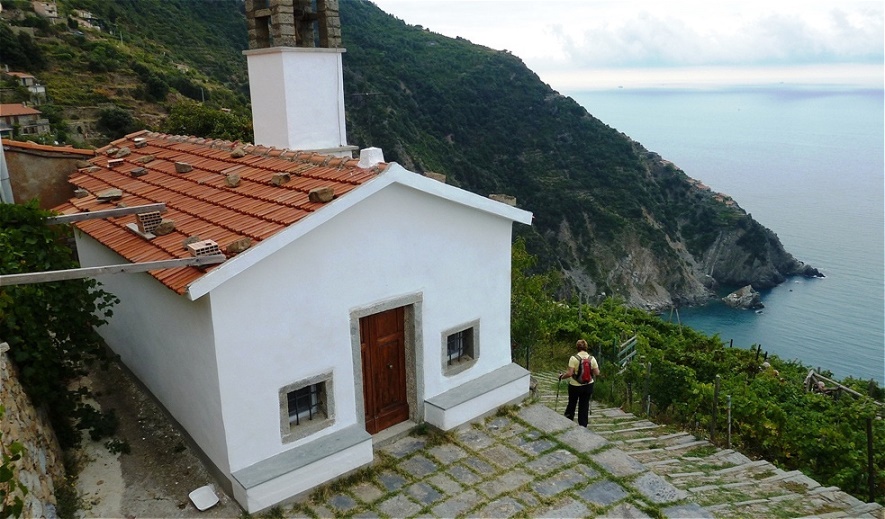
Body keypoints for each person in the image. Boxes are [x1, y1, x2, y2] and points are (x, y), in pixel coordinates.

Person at [559, 339, 600, 427]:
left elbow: (570, 373)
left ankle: (568, 422)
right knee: (584, 406)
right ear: (586, 347)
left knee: (572, 404)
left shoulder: (573, 358)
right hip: (588, 385)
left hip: (575, 385)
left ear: (577, 347)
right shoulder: (592, 359)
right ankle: (583, 425)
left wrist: (562, 377)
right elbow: (597, 373)